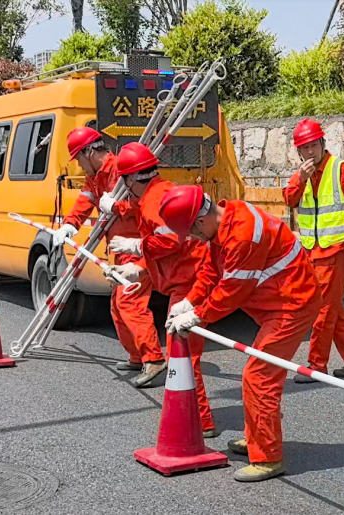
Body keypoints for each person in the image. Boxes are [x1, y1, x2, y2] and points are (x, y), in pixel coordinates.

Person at [160, 185, 322, 482]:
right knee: (257, 375)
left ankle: (268, 458)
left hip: (293, 305)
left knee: (259, 377)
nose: (193, 239)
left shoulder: (243, 235)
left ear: (200, 222)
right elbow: (212, 272)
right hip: (279, 302)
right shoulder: (226, 221)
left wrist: (198, 315)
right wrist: (190, 300)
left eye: (192, 234)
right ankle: (257, 438)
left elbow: (233, 290)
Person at [104, 142, 217, 438]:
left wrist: (136, 246)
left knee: (183, 353)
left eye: (125, 181)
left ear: (131, 179)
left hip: (191, 282)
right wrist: (140, 268)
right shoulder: (159, 192)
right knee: (182, 351)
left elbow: (170, 241)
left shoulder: (154, 200)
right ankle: (193, 418)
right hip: (188, 277)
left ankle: (199, 422)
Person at [56, 127, 165, 387]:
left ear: (88, 152)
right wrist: (70, 224)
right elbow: (85, 200)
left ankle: (154, 359)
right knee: (117, 306)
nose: (78, 164)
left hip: (138, 247)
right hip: (119, 250)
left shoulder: (121, 169)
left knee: (130, 303)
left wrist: (115, 207)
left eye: (78, 158)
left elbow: (143, 204)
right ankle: (138, 356)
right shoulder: (94, 176)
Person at [282, 119, 344, 383]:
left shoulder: (340, 168)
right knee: (333, 309)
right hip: (313, 251)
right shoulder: (302, 174)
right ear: (298, 151)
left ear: (322, 143)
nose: (309, 151)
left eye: (313, 145)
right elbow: (289, 199)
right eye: (304, 148)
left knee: (321, 310)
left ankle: (317, 365)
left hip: (336, 251)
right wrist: (300, 179)